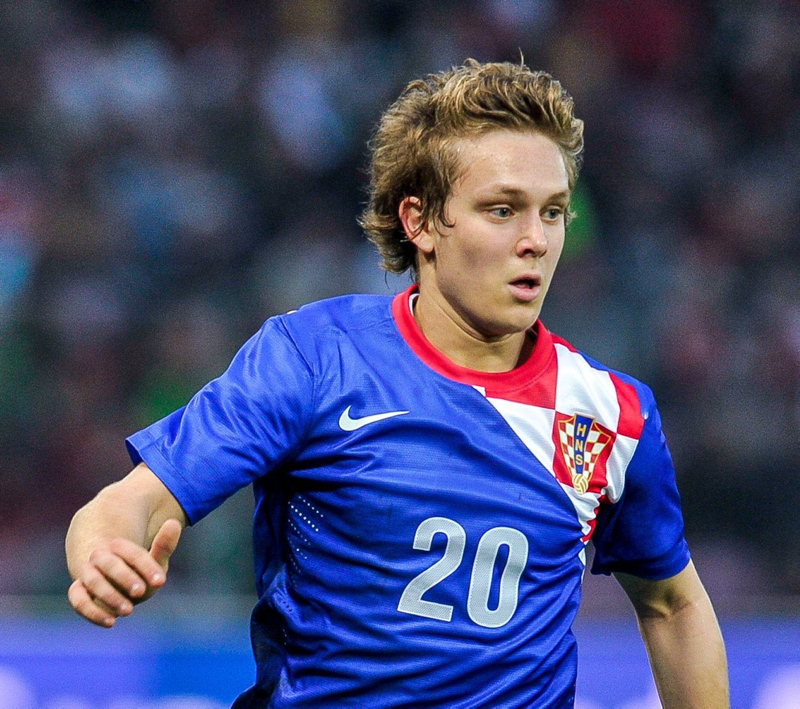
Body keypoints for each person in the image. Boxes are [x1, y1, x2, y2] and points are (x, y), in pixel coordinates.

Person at [66, 59, 729, 707]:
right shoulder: (315, 359)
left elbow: (673, 605)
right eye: (502, 210)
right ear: (420, 222)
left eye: (552, 212)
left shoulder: (612, 414)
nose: (535, 239)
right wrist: (103, 551)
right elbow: (135, 500)